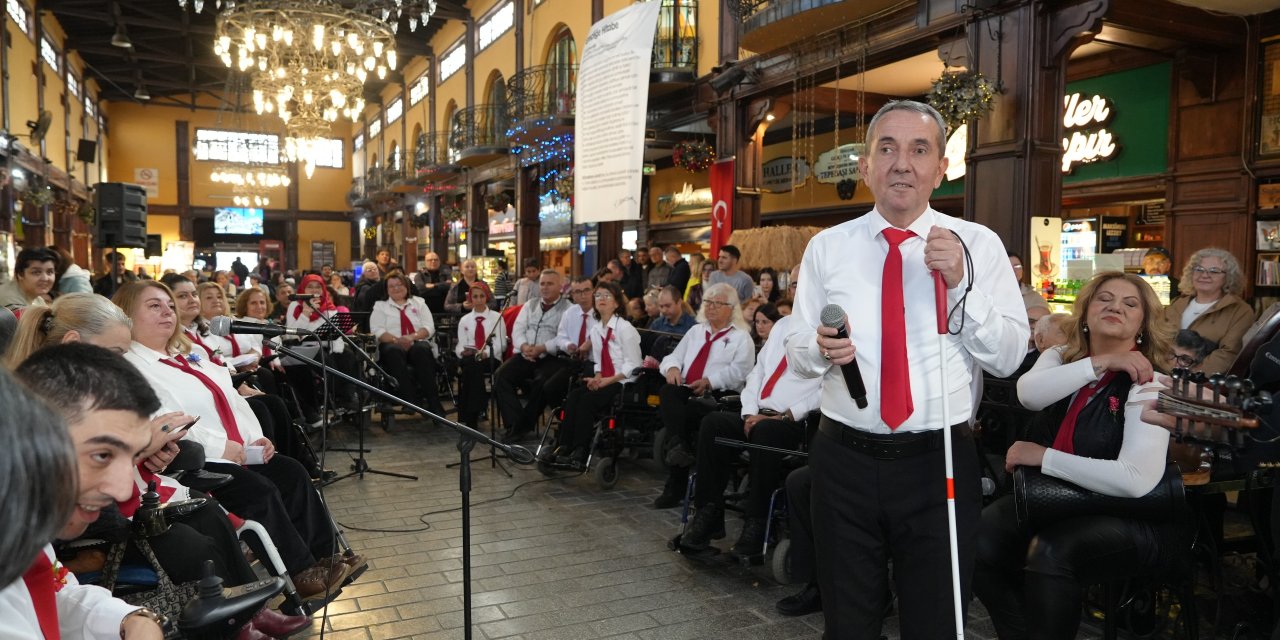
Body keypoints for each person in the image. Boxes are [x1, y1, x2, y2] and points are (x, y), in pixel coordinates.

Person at [787, 100, 1028, 638]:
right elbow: (796, 352)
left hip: (938, 460)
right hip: (843, 459)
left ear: (940, 168)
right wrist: (820, 348)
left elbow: (1010, 356)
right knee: (848, 624)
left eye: (919, 150)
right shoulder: (827, 247)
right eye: (887, 149)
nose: (902, 163)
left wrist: (961, 285)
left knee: (936, 622)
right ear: (866, 166)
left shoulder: (978, 245)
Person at [113, 281, 361, 600]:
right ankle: (299, 574)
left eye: (170, 306)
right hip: (191, 460)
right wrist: (222, 447)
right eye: (154, 306)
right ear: (128, 315)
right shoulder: (135, 367)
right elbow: (168, 422)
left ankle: (326, 558)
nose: (167, 312)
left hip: (234, 451)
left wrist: (255, 438)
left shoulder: (184, 355)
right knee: (259, 491)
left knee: (292, 472)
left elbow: (231, 398)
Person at [974, 272, 1174, 640]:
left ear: (1143, 325)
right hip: (1054, 497)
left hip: (1123, 512)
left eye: (1130, 304)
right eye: (1104, 299)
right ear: (1085, 313)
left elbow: (1134, 479)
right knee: (977, 539)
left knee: (1051, 552)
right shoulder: (1061, 356)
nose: (1115, 307)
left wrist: (1044, 457)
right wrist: (1103, 361)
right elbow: (1029, 395)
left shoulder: (1151, 382)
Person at [1, 348, 166, 640]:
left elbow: (53, 593)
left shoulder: (20, 525)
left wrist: (130, 619)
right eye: (101, 456)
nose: (122, 490)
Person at [680, 310, 820, 556]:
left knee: (765, 431)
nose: (798, 292)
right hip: (758, 413)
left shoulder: (829, 333)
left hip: (795, 420)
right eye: (796, 289)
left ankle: (756, 524)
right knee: (713, 423)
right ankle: (708, 514)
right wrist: (748, 413)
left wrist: (785, 415)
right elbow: (758, 372)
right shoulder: (783, 325)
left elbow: (827, 390)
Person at [652, 282, 756, 508]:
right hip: (688, 387)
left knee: (686, 414)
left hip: (720, 395)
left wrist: (710, 381)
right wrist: (672, 368)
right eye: (708, 302)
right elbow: (674, 356)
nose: (711, 307)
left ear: (731, 308)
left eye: (718, 303)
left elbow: (741, 372)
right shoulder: (696, 331)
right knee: (668, 391)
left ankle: (677, 483)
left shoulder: (741, 337)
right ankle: (679, 446)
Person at [539, 281, 642, 468]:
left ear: (616, 303)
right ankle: (564, 446)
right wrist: (598, 377)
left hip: (623, 382)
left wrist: (607, 381)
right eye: (598, 295)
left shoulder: (625, 329)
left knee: (587, 401)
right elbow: (600, 362)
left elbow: (633, 365)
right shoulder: (597, 329)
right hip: (605, 379)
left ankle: (580, 450)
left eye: (607, 296)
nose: (601, 299)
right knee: (574, 397)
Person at [493, 270, 570, 441]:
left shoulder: (568, 309)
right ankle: (515, 424)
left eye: (550, 284)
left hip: (552, 357)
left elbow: (564, 337)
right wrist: (524, 346)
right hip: (526, 353)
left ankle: (522, 427)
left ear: (560, 286)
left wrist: (543, 348)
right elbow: (518, 329)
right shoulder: (530, 305)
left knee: (542, 383)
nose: (545, 287)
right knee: (501, 375)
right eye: (542, 284)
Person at [1162, 247, 1255, 375]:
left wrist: (1189, 375)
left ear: (1228, 277)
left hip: (1202, 382)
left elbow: (1229, 354)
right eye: (1199, 269)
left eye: (1214, 271)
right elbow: (1159, 339)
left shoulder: (1240, 311)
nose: (1204, 275)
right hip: (1162, 375)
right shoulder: (1177, 303)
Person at [371, 272, 446, 417]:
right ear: (386, 289)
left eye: (399, 284)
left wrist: (412, 337)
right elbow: (377, 330)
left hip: (416, 341)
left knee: (422, 349)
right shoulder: (380, 306)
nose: (396, 288)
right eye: (392, 286)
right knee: (393, 350)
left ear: (406, 286)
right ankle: (410, 400)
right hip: (392, 343)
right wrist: (397, 340)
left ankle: (434, 404)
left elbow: (429, 327)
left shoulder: (419, 303)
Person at [455, 281, 506, 429]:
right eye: (475, 296)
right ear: (470, 298)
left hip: (490, 357)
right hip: (470, 358)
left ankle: (469, 417)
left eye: (481, 296)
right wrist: (462, 351)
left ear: (487, 297)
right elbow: (460, 344)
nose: (478, 300)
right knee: (471, 363)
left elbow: (501, 344)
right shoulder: (465, 320)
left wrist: (485, 353)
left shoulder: (497, 318)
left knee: (471, 367)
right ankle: (478, 409)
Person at [645, 285, 696, 358]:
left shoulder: (693, 326)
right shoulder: (656, 324)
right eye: (661, 306)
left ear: (679, 302)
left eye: (668, 306)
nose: (664, 310)